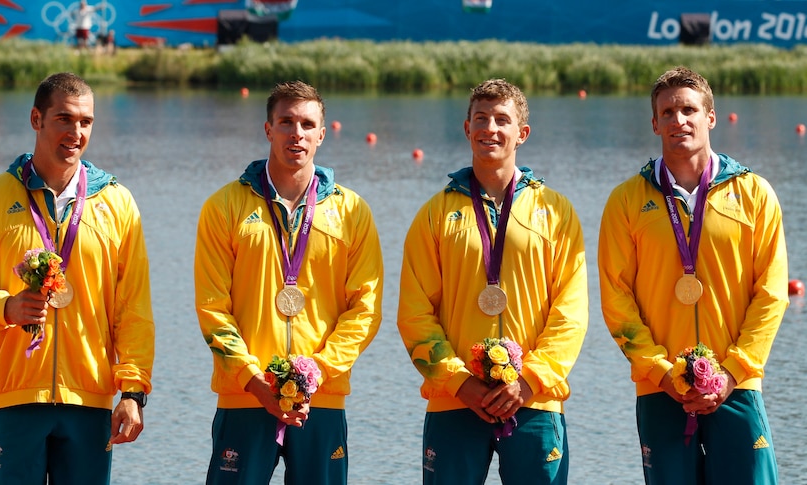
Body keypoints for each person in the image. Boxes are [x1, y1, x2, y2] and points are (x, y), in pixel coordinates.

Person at [0, 72, 154, 484]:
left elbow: (133, 308)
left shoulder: (118, 203)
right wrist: (4, 307)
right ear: (36, 119)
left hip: (90, 397)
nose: (76, 132)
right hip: (14, 395)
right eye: (64, 119)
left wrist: (132, 392)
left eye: (86, 122)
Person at [598, 66, 788, 484]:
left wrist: (733, 371)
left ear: (711, 117)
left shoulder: (754, 193)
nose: (678, 120)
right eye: (667, 112)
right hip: (661, 389)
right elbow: (616, 297)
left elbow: (772, 293)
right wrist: (661, 373)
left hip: (736, 385)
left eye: (688, 109)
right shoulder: (626, 201)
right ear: (654, 124)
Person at [396, 78, 588, 484]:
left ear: (523, 133)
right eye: (480, 118)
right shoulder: (435, 214)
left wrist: (529, 381)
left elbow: (570, 314)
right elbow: (415, 313)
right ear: (467, 128)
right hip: (455, 401)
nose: (490, 129)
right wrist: (458, 381)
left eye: (503, 119)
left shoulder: (555, 211)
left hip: (535, 401)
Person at [194, 80, 383, 484]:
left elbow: (365, 309)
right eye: (285, 122)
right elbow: (213, 308)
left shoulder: (352, 212)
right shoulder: (224, 207)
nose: (295, 133)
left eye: (306, 124)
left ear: (321, 134)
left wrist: (318, 370)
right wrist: (253, 379)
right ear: (268, 129)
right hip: (245, 395)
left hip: (322, 398)